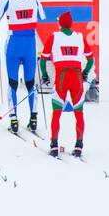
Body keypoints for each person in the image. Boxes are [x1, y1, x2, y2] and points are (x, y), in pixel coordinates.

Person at [0, 0, 46, 134]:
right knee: (30, 83)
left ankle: (14, 119)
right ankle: (33, 118)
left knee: (12, 83)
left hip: (14, 43)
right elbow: (42, 16)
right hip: (30, 43)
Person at [39, 12, 94, 157]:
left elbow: (43, 60)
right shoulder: (80, 37)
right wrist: (85, 73)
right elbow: (90, 59)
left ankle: (54, 145)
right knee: (79, 113)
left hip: (62, 77)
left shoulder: (54, 36)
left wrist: (44, 75)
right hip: (76, 76)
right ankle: (79, 145)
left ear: (60, 24)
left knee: (57, 113)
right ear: (71, 24)